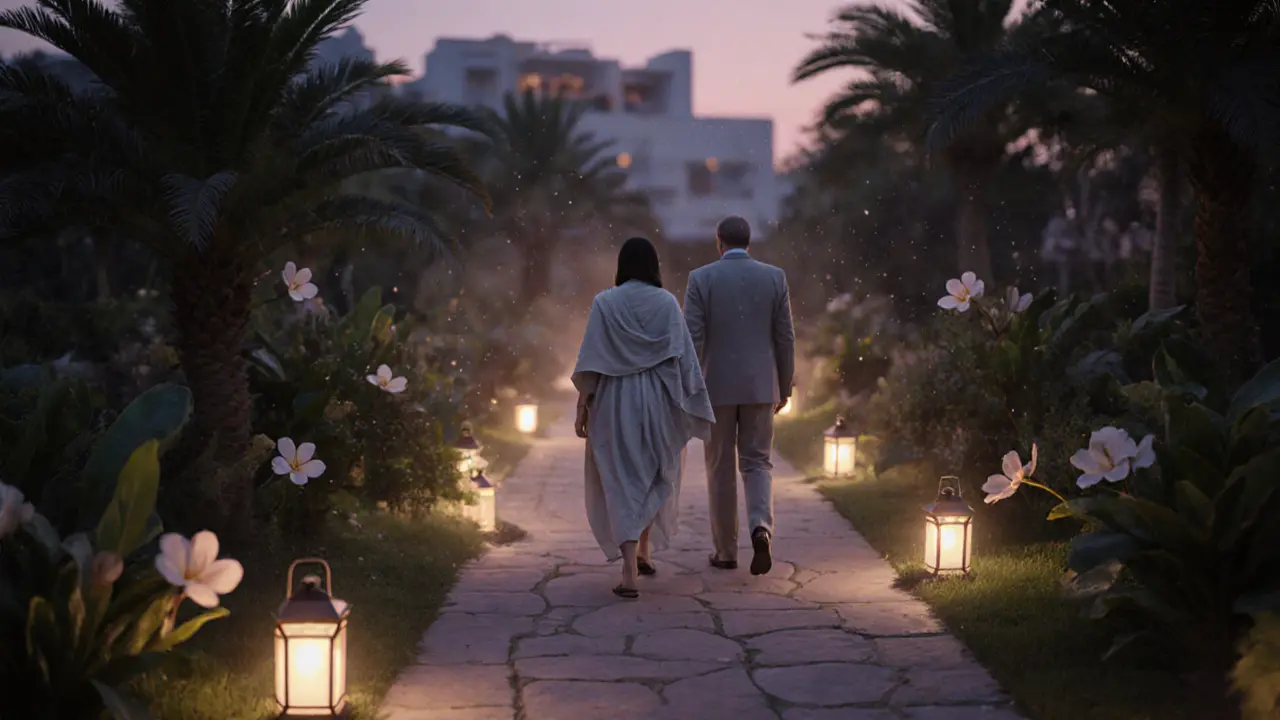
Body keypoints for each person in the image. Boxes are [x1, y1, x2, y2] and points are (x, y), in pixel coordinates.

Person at [572, 237, 715, 599]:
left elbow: (590, 360)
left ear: (622, 265)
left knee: (620, 478)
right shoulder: (666, 303)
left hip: (614, 400)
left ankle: (631, 567)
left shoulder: (605, 302)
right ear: (654, 266)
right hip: (656, 399)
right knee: (654, 471)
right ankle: (643, 551)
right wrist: (691, 404)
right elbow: (684, 359)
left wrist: (582, 406)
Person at [683, 215, 795, 576]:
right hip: (761, 386)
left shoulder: (701, 279)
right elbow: (785, 337)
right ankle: (760, 526)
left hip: (715, 387)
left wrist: (689, 385)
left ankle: (726, 551)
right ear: (749, 243)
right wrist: (785, 383)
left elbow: (692, 338)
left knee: (720, 468)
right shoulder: (774, 277)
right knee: (757, 462)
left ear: (719, 242)